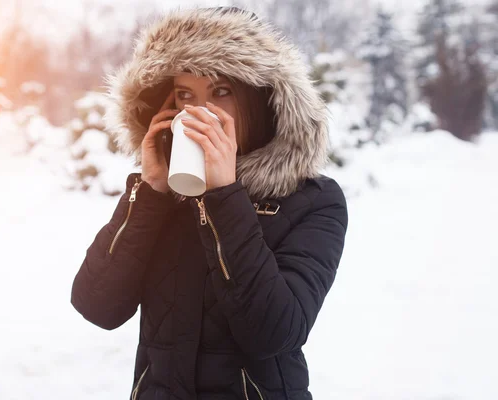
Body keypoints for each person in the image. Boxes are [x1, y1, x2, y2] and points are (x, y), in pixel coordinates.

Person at [71, 6, 348, 400]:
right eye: (185, 95)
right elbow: (96, 304)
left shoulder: (312, 200)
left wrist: (224, 196)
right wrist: (150, 189)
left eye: (221, 92)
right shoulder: (164, 196)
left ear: (259, 100)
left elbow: (274, 332)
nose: (199, 112)